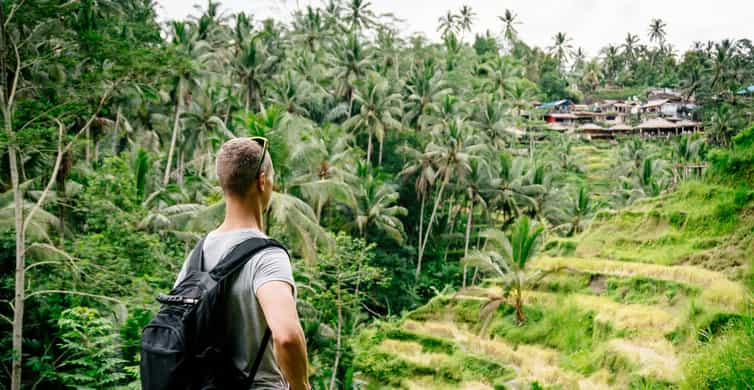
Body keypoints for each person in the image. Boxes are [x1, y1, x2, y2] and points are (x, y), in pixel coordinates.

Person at [173, 137, 310, 390]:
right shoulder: (267, 256)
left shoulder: (197, 255)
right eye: (271, 178)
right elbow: (288, 337)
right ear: (261, 180)